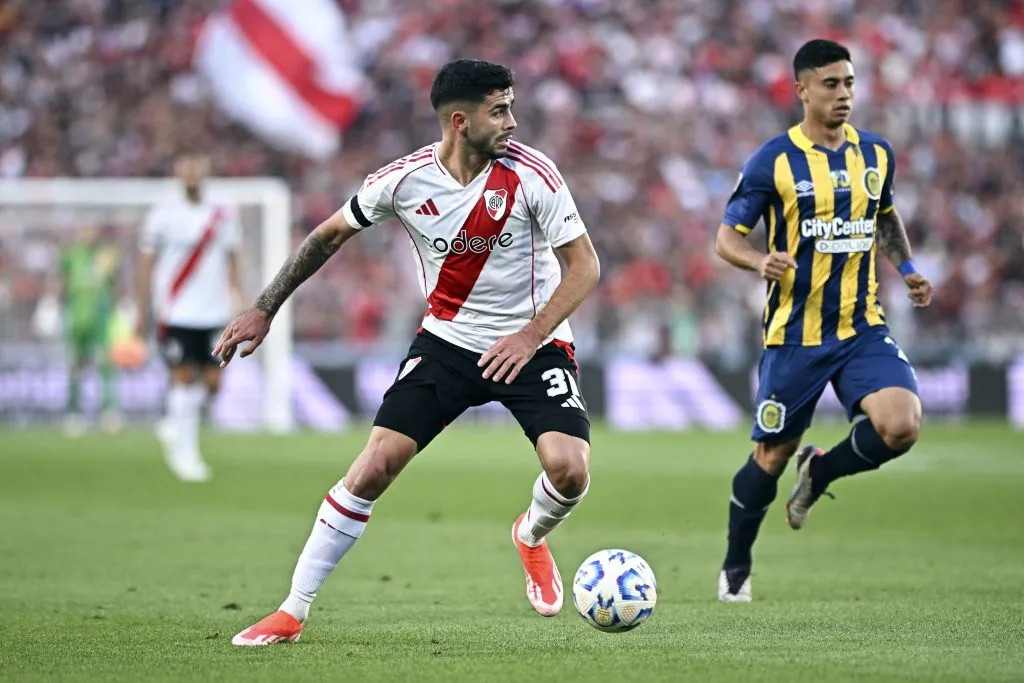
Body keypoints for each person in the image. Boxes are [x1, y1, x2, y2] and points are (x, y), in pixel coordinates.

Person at [217, 59, 600, 646]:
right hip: (448, 343)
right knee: (373, 467)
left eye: (511, 108)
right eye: (499, 111)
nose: (512, 122)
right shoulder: (402, 181)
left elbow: (585, 266)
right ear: (459, 121)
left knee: (569, 471)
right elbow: (327, 235)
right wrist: (264, 307)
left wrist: (529, 336)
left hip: (535, 343)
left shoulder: (534, 174)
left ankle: (530, 534)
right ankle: (292, 610)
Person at [713, 39, 934, 602]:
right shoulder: (773, 161)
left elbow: (884, 217)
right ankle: (736, 565)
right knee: (770, 457)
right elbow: (726, 239)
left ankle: (822, 472)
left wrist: (908, 268)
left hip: (862, 327)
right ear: (802, 90)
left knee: (902, 425)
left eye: (849, 83)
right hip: (795, 335)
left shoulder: (876, 154)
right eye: (831, 84)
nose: (843, 94)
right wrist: (759, 261)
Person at [135, 152, 244, 482]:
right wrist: (142, 309)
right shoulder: (162, 214)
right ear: (177, 171)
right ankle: (186, 453)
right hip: (177, 311)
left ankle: (174, 421)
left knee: (213, 382)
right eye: (187, 165)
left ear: (206, 170)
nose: (193, 171)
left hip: (213, 311)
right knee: (184, 376)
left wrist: (240, 297)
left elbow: (234, 257)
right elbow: (146, 264)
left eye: (198, 165)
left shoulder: (223, 211)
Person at [59, 224, 121, 435]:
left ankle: (109, 412)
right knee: (76, 366)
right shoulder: (71, 255)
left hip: (100, 319)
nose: (88, 235)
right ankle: (74, 412)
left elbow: (112, 285)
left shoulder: (106, 256)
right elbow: (64, 284)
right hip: (77, 319)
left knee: (106, 365)